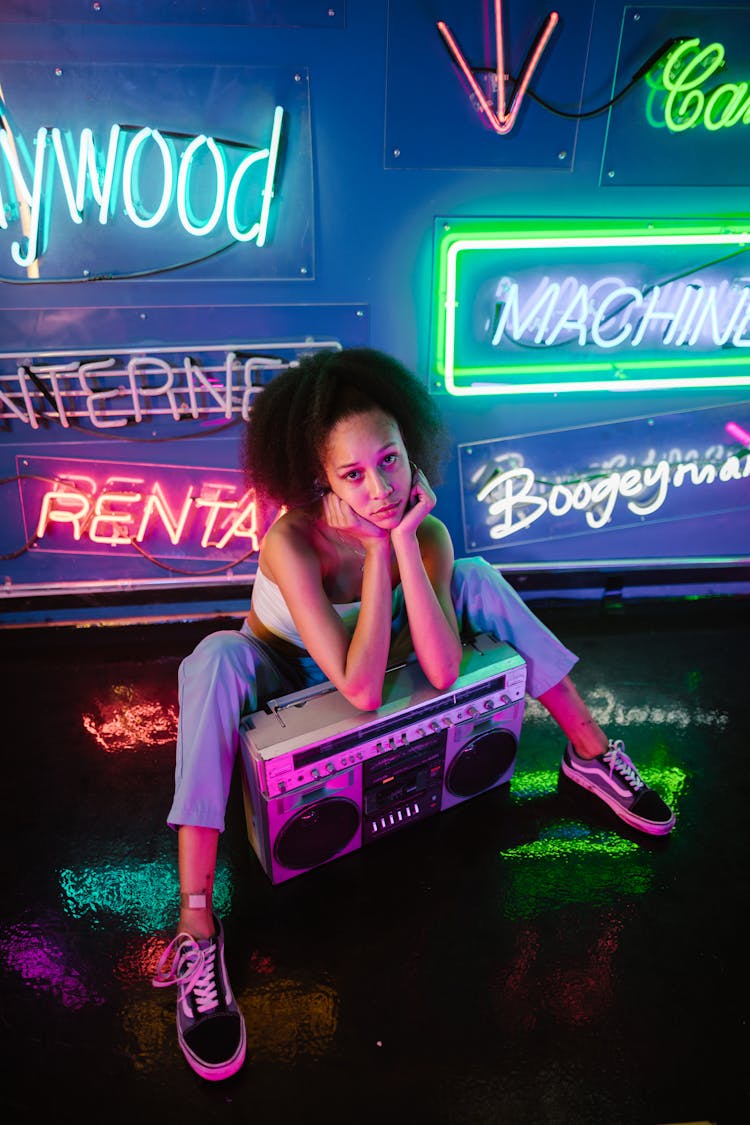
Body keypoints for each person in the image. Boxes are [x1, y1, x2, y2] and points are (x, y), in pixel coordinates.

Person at [152, 347, 675, 1081]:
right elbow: (361, 691)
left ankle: (587, 752)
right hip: (284, 671)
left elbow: (439, 669)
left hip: (385, 651)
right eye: (353, 474)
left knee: (481, 581)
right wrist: (374, 553)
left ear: (411, 449)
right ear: (319, 480)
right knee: (210, 658)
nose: (381, 487)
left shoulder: (424, 532)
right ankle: (197, 919)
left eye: (390, 460)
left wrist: (399, 542)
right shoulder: (289, 540)